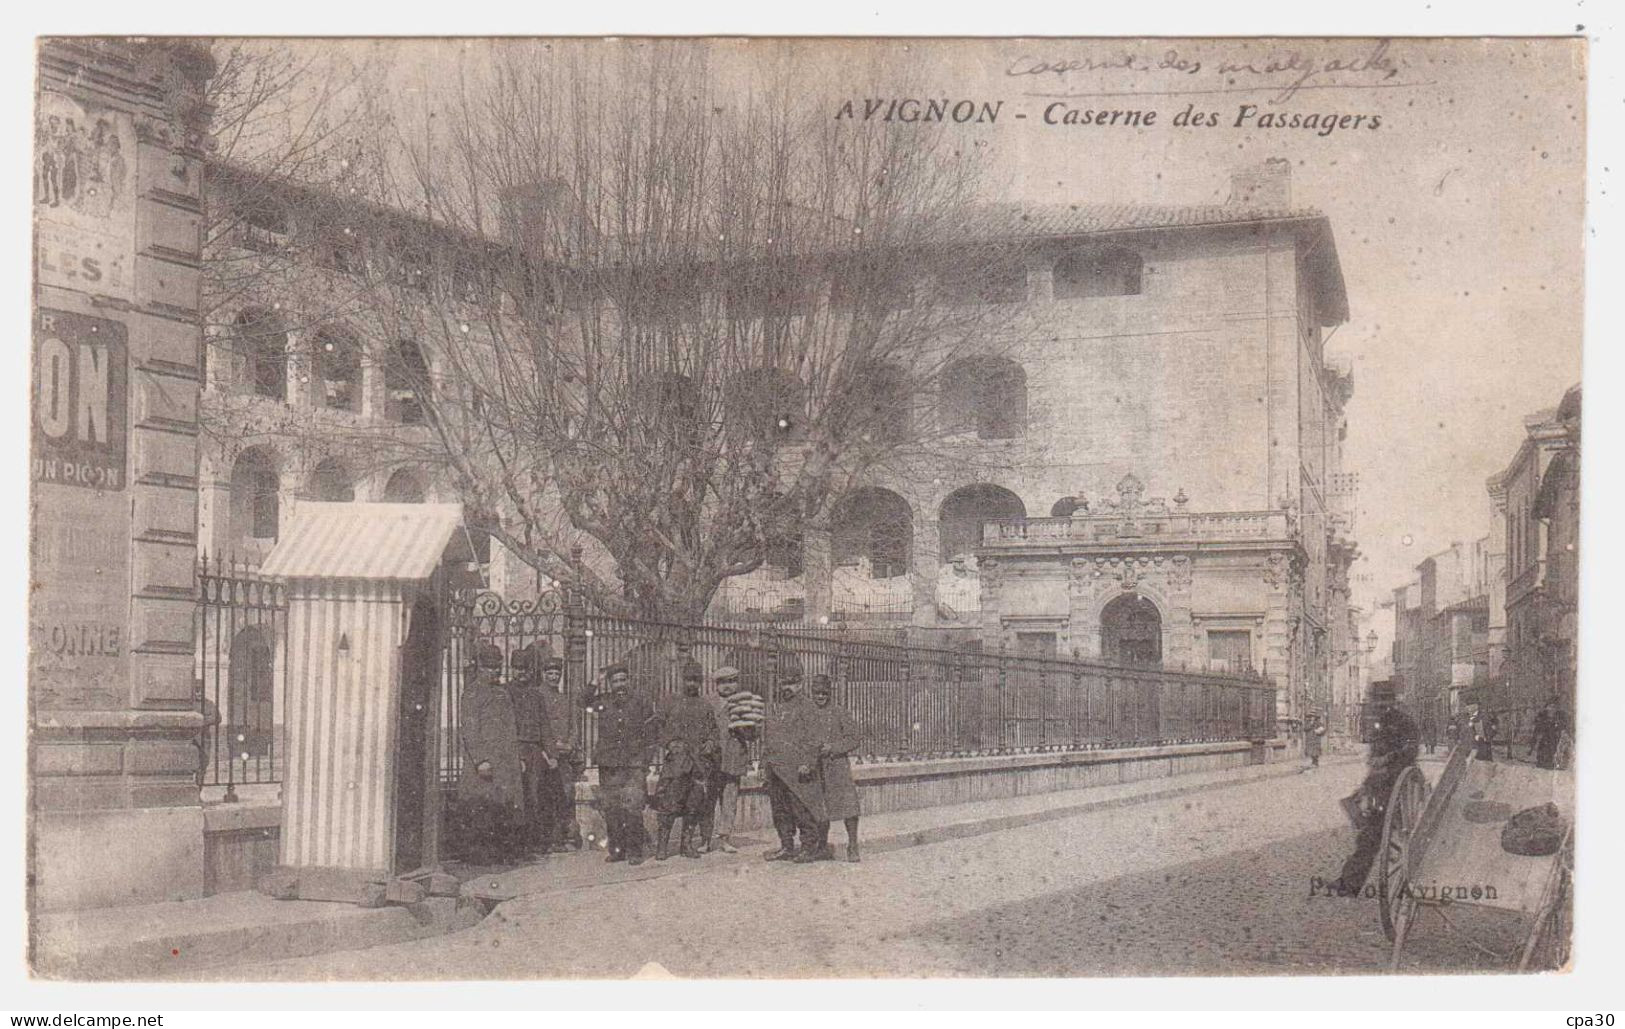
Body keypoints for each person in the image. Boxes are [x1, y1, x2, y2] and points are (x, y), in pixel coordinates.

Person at [1330, 690, 1419, 893]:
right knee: (1368, 836)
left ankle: (1350, 883)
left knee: (1374, 834)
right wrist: (1366, 784)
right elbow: (1375, 756)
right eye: (1376, 703)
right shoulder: (1379, 724)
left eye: (1381, 702)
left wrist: (1388, 758)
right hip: (1380, 787)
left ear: (1391, 702)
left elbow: (1410, 751)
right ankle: (1349, 883)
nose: (1378, 707)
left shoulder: (1404, 723)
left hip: (1398, 785)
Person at [455, 642, 525, 865]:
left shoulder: (503, 693)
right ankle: (478, 857)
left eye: (498, 667)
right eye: (490, 667)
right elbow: (469, 729)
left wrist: (519, 757)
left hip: (505, 762)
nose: (495, 671)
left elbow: (512, 727)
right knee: (480, 808)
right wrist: (480, 760)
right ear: (480, 668)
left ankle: (500, 855)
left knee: (502, 807)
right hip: (485, 764)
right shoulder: (472, 693)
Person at [587, 661, 656, 865]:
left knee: (633, 807)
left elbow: (652, 732)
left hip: (634, 764)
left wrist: (646, 760)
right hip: (609, 763)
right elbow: (582, 701)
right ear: (610, 683)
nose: (619, 684)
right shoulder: (603, 702)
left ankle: (635, 851)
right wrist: (595, 682)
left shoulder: (640, 701)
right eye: (615, 681)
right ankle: (617, 850)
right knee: (612, 808)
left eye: (623, 680)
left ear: (629, 680)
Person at [652, 661, 720, 860]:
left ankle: (686, 844)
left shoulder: (705, 705)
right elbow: (656, 726)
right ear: (683, 680)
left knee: (694, 806)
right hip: (676, 765)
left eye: (696, 680)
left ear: (700, 682)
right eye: (689, 679)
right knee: (668, 805)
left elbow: (714, 731)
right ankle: (662, 846)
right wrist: (669, 743)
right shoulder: (670, 702)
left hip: (699, 765)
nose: (692, 684)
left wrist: (710, 743)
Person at [761, 671, 827, 863]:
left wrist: (808, 762)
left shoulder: (808, 707)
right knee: (780, 811)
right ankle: (786, 846)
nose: (786, 688)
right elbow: (769, 738)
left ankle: (808, 848)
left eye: (791, 683)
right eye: (783, 684)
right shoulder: (777, 707)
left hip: (798, 770)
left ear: (800, 684)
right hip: (776, 769)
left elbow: (815, 738)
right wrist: (764, 765)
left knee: (802, 809)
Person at [809, 674, 864, 862]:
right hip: (815, 768)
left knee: (849, 807)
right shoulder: (807, 714)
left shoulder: (840, 712)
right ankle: (822, 846)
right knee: (819, 809)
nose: (820, 697)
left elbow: (854, 738)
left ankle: (853, 845)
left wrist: (832, 748)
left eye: (824, 693)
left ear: (829, 693)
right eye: (817, 693)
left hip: (837, 767)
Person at [508, 642, 553, 859]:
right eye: (518, 668)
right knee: (517, 799)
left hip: (534, 751)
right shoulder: (505, 692)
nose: (522, 672)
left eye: (525, 668)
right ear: (512, 669)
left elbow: (544, 724)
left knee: (535, 798)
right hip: (514, 749)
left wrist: (551, 753)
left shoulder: (536, 695)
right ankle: (516, 846)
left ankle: (532, 844)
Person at [702, 665, 753, 854]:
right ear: (716, 685)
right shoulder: (707, 702)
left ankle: (725, 838)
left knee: (729, 800)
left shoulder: (744, 703)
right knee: (707, 800)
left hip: (733, 757)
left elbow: (754, 734)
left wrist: (742, 726)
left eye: (731, 682)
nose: (727, 686)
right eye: (723, 682)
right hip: (711, 759)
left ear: (737, 683)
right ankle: (705, 839)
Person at [537, 654, 584, 851]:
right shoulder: (537, 696)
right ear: (543, 674)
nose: (554, 677)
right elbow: (536, 727)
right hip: (544, 758)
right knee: (545, 798)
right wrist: (548, 750)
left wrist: (570, 744)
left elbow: (574, 726)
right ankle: (548, 840)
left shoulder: (565, 699)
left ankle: (568, 837)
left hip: (564, 758)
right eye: (550, 673)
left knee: (565, 795)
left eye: (557, 673)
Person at [1530, 696, 1569, 770]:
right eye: (1550, 705)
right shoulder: (1543, 713)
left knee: (1553, 749)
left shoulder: (1560, 714)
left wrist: (1557, 725)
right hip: (1546, 735)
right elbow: (1537, 722)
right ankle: (1542, 763)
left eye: (1553, 706)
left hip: (1554, 735)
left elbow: (1564, 724)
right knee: (1543, 748)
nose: (1551, 708)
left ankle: (1551, 763)